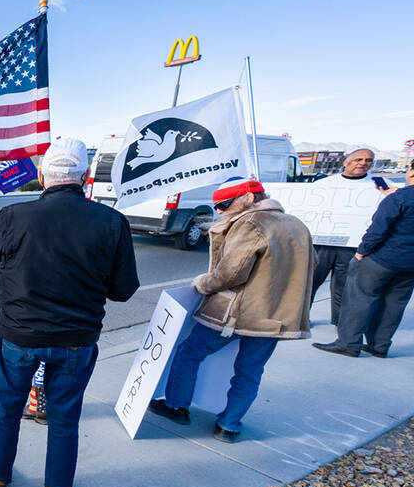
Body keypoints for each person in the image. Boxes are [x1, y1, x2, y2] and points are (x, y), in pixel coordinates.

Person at [0, 137, 139, 487]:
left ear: (40, 177)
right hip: (76, 340)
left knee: (7, 407)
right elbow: (123, 290)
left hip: (20, 335)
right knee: (65, 418)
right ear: (85, 178)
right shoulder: (112, 221)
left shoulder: (14, 215)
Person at [149, 179, 315, 442]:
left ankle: (176, 406)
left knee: (188, 354)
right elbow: (308, 268)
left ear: (248, 198)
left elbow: (231, 273)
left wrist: (203, 283)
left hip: (239, 312)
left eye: (225, 204)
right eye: (218, 206)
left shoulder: (250, 223)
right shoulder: (297, 224)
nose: (222, 211)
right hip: (275, 316)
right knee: (249, 371)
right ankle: (229, 425)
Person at [314, 163, 414, 358]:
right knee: (394, 304)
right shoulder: (398, 197)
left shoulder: (399, 198)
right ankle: (380, 345)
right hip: (410, 265)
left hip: (382, 259)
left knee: (358, 299)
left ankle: (348, 343)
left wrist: (361, 252)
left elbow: (378, 230)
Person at [309, 148, 381, 324]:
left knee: (344, 287)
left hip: (353, 246)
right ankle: (300, 318)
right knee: (309, 284)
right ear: (346, 162)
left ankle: (339, 322)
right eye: (358, 159)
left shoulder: (380, 185)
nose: (363, 163)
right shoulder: (323, 185)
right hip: (321, 244)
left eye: (368, 160)